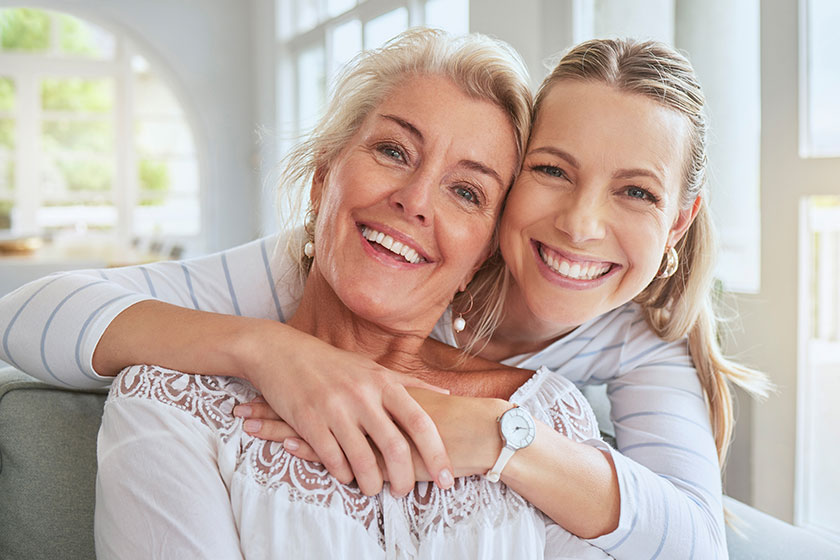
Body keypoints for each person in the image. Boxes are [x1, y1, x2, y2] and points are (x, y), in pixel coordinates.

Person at [0, 34, 769, 558]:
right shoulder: (292, 277)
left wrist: (500, 437)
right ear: (321, 176)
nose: (581, 224)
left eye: (467, 189)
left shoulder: (595, 378)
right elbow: (26, 314)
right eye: (554, 171)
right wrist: (270, 348)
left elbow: (695, 541)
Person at [91, 29, 613, 558]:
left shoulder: (543, 419)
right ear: (322, 177)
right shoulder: (170, 403)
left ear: (482, 255)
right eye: (393, 150)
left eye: (465, 191)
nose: (415, 201)